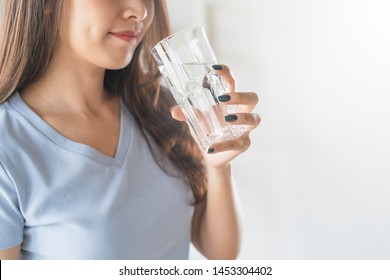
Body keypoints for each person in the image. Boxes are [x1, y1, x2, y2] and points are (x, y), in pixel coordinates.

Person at [0, 0, 260, 260]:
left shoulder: (163, 110)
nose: (141, 10)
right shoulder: (8, 145)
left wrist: (218, 167)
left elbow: (220, 252)